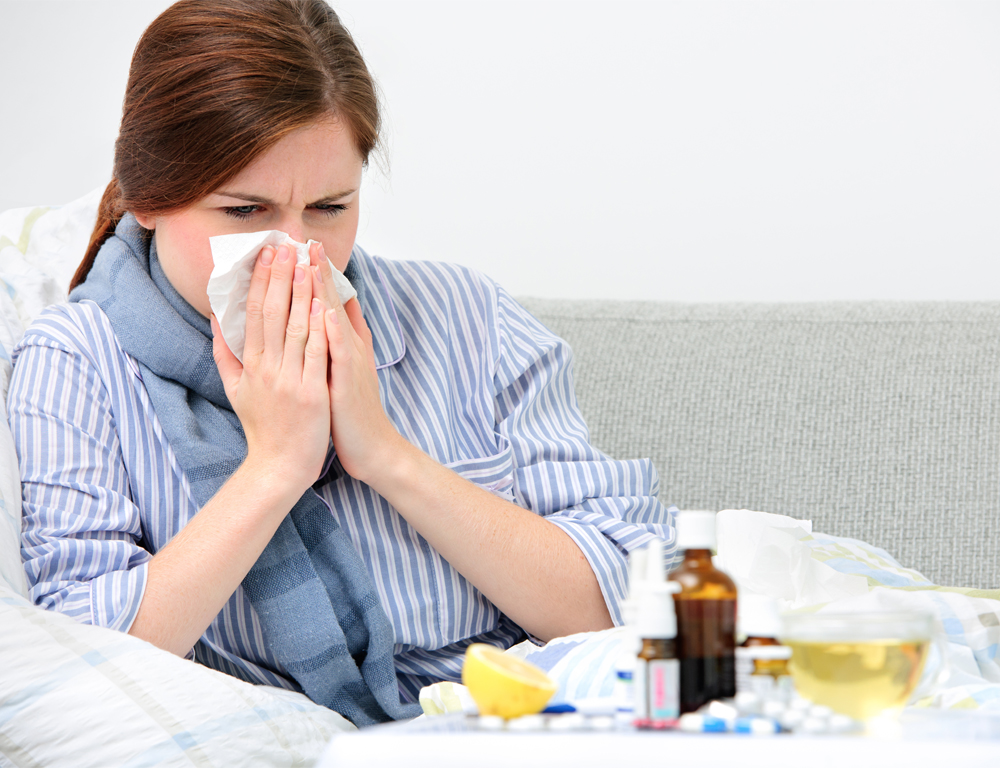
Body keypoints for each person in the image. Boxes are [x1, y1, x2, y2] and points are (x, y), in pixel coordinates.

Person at [8, 0, 677, 725]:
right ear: (147, 197)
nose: (296, 252)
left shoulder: (465, 314)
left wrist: (385, 453)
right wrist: (275, 467)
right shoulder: (72, 364)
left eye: (329, 207)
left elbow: (625, 598)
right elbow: (83, 664)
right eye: (243, 212)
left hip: (511, 716)